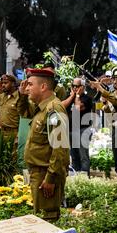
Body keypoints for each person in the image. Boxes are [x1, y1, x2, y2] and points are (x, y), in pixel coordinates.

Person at [18, 68, 70, 221]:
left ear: (43, 87)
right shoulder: (41, 107)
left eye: (30, 85)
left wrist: (51, 179)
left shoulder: (53, 109)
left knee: (47, 220)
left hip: (45, 174)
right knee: (41, 218)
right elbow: (24, 112)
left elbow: (60, 148)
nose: (27, 88)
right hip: (39, 173)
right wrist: (22, 96)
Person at [62, 77, 93, 175]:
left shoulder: (87, 98)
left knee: (83, 155)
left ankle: (84, 179)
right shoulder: (69, 96)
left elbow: (77, 108)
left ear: (82, 87)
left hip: (83, 130)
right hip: (71, 130)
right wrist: (72, 96)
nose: (75, 88)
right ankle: (76, 177)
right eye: (73, 86)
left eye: (77, 86)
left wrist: (78, 96)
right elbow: (61, 106)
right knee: (74, 156)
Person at [0, 74, 21, 141]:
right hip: (2, 132)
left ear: (13, 84)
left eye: (5, 83)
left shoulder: (19, 97)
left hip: (15, 132)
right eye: (2, 83)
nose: (3, 85)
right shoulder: (2, 96)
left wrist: (19, 135)